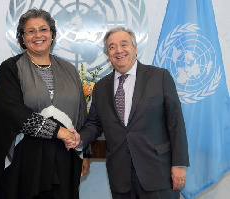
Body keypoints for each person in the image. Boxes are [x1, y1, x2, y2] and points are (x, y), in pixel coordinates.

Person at [0, 8, 90, 199]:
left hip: (64, 158)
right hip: (24, 160)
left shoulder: (69, 69)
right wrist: (59, 132)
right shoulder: (11, 68)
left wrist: (84, 152)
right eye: (31, 31)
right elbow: (13, 112)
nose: (38, 35)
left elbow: (80, 112)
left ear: (52, 34)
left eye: (43, 29)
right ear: (22, 37)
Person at [66, 27, 189, 199]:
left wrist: (179, 164)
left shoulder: (159, 77)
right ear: (107, 54)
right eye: (112, 47)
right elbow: (95, 124)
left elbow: (175, 122)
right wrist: (80, 139)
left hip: (157, 172)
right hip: (121, 176)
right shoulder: (101, 87)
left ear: (135, 48)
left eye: (124, 44)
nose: (119, 51)